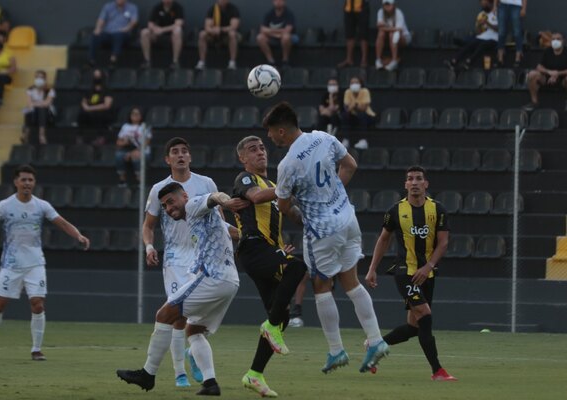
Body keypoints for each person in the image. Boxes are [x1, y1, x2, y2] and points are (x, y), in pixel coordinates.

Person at [264, 102, 389, 374]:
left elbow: (284, 207)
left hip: (322, 230)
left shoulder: (287, 164)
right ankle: (376, 340)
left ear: (282, 131)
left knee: (321, 285)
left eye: (271, 133)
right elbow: (350, 165)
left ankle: (336, 351)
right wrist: (333, 194)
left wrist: (305, 212)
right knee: (351, 281)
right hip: (347, 218)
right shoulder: (323, 137)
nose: (270, 138)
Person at [115, 137, 243, 390]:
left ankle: (148, 374)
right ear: (168, 158)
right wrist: (254, 236)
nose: (169, 208)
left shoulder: (196, 199)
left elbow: (213, 199)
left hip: (210, 275)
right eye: (165, 206)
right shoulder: (162, 192)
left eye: (171, 203)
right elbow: (223, 227)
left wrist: (225, 201)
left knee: (165, 314)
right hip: (219, 275)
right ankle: (208, 382)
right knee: (192, 329)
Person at [0, 165, 90, 361]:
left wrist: (78, 235)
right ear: (16, 182)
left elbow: (62, 222)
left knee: (37, 305)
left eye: (30, 180)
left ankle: (36, 349)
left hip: (35, 264)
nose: (27, 183)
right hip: (11, 264)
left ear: (34, 183)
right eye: (23, 180)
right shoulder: (5, 206)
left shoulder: (41, 205)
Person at [365, 166, 457, 381]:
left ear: (426, 184)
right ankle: (437, 371)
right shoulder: (395, 211)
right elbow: (383, 240)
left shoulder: (438, 209)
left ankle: (375, 345)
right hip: (405, 272)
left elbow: (443, 243)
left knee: (413, 326)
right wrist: (372, 269)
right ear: (405, 185)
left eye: (418, 179)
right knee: (425, 315)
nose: (414, 182)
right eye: (410, 179)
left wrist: (429, 266)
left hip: (427, 274)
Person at [233, 136, 307, 397]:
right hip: (253, 248)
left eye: (262, 147)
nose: (260, 152)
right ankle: (271, 326)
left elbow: (293, 213)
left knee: (281, 314)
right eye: (252, 149)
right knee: (298, 269)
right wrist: (288, 188)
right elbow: (254, 197)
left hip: (269, 252)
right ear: (243, 158)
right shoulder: (245, 179)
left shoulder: (275, 185)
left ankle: (254, 374)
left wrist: (311, 214)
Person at [444, 0, 498, 71]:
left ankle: (468, 62)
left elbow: (498, 29)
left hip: (494, 39)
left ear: (490, 4)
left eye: (485, 4)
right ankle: (454, 61)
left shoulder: (497, 13)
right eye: (482, 4)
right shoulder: (482, 14)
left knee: (482, 45)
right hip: (483, 36)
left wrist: (487, 23)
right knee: (470, 44)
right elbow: (478, 32)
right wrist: (479, 25)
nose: (483, 5)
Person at [523, 32, 567, 111]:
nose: (555, 41)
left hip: (563, 79)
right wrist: (549, 72)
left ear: (563, 40)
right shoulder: (548, 51)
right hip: (547, 78)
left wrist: (557, 73)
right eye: (553, 39)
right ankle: (534, 102)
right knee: (532, 74)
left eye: (558, 39)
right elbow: (539, 67)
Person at [88, 0, 139, 67]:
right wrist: (98, 28)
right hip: (108, 33)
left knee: (118, 35)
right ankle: (91, 60)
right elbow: (101, 19)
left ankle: (113, 60)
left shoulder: (132, 7)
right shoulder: (108, 6)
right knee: (95, 35)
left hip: (123, 33)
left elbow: (134, 21)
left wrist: (127, 28)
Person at [195, 0, 241, 70]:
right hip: (214, 35)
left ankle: (232, 62)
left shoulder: (233, 9)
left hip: (227, 35)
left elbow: (234, 26)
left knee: (232, 34)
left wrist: (221, 29)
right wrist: (212, 30)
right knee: (202, 34)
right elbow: (207, 26)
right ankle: (202, 62)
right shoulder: (213, 9)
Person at [140, 0, 185, 69]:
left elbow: (178, 24)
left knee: (177, 31)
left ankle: (175, 61)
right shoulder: (157, 7)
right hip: (158, 35)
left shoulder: (178, 7)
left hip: (172, 34)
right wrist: (155, 29)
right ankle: (147, 61)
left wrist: (162, 30)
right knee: (144, 32)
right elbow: (150, 24)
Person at [115, 107, 151, 187]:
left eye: (137, 114)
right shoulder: (125, 126)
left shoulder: (144, 126)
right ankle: (122, 180)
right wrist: (125, 142)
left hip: (142, 150)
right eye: (133, 114)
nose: (135, 115)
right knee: (119, 156)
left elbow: (147, 142)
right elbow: (118, 142)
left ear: (141, 116)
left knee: (136, 157)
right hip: (127, 149)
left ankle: (140, 181)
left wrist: (136, 151)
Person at [256, 0, 298, 68]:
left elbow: (288, 30)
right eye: (276, 0)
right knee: (260, 37)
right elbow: (262, 29)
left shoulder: (289, 14)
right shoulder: (269, 14)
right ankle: (271, 62)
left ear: (284, 2)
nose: (278, 2)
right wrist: (277, 34)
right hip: (274, 37)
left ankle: (285, 61)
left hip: (290, 37)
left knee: (286, 37)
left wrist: (270, 31)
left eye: (280, 0)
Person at [375, 0, 411, 71]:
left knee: (392, 34)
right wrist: (385, 27)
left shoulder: (398, 13)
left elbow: (399, 29)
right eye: (386, 4)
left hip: (403, 38)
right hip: (389, 38)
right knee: (381, 33)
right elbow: (380, 27)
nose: (387, 7)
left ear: (393, 5)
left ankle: (394, 60)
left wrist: (385, 26)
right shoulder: (380, 12)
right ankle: (378, 59)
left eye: (389, 4)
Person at [22, 70, 55, 145]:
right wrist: (38, 104)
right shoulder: (30, 89)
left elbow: (47, 103)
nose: (39, 79)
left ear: (45, 79)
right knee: (29, 110)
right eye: (37, 77)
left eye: (41, 77)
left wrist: (35, 103)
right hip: (34, 111)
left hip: (47, 113)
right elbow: (29, 103)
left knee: (42, 110)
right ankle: (26, 135)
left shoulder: (50, 90)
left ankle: (41, 135)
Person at [338, 0, 370, 68]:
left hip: (362, 7)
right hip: (348, 8)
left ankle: (364, 60)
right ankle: (349, 59)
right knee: (349, 34)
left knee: (363, 34)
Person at [494, 0, 526, 67]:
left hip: (516, 5)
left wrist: (524, 8)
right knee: (501, 31)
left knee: (517, 31)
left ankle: (518, 57)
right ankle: (500, 58)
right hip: (503, 5)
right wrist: (495, 6)